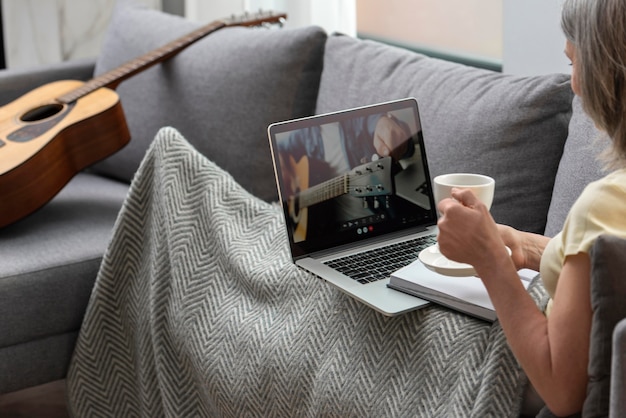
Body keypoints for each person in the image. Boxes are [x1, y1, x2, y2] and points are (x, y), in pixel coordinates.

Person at [436, 0, 626, 415]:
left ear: (607, 73)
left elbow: (562, 390)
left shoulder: (602, 202)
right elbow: (603, 274)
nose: (574, 84)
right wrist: (527, 247)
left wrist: (489, 259)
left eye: (577, 63)